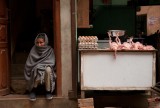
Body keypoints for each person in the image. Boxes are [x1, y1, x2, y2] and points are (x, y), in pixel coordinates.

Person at [24, 33, 56, 101]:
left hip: (45, 67)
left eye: (41, 42)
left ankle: (48, 91)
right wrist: (37, 66)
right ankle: (33, 90)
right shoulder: (33, 50)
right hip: (35, 68)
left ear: (45, 42)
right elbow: (29, 63)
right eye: (37, 42)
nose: (39, 44)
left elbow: (52, 63)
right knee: (36, 69)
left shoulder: (50, 50)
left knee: (48, 69)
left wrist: (40, 66)